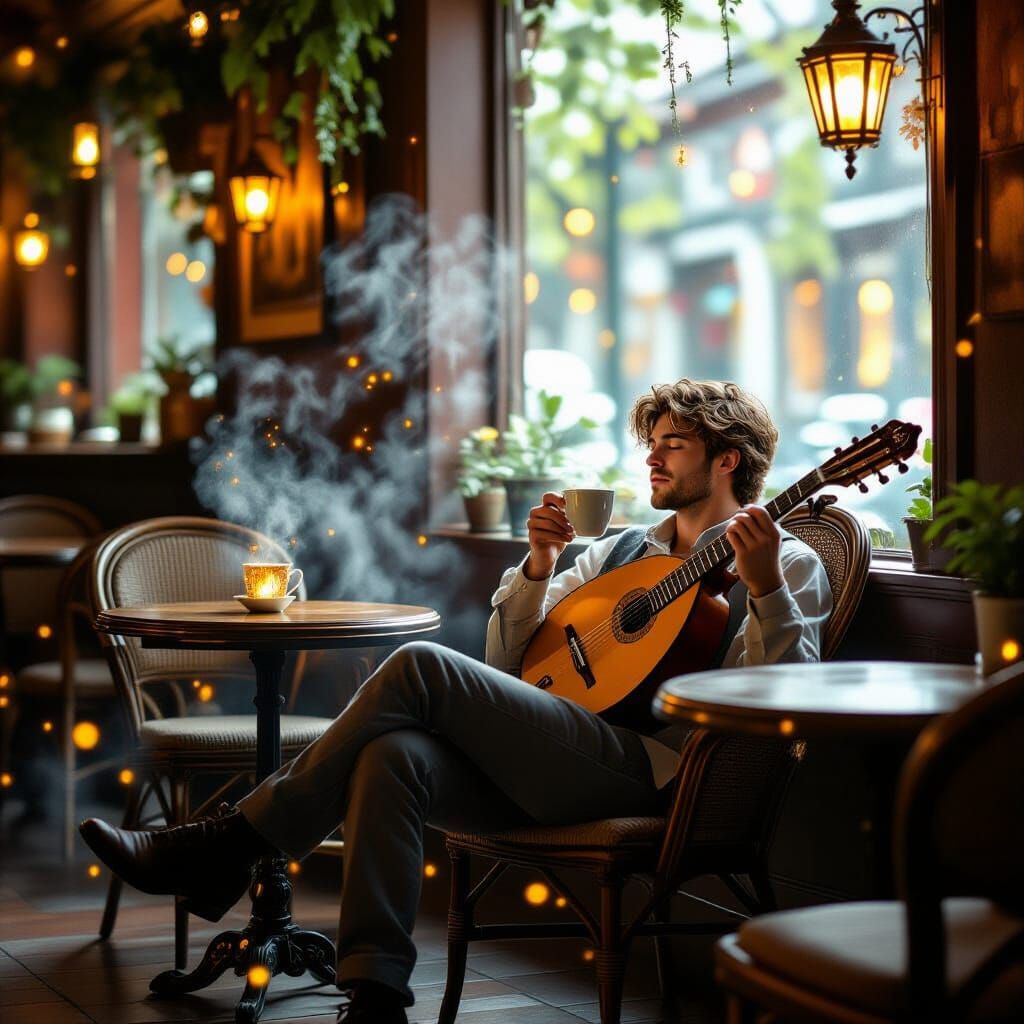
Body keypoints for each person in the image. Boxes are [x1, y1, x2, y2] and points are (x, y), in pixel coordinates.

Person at [80, 379, 831, 1024]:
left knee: (419, 663)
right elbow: (510, 665)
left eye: (673, 445)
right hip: (554, 760)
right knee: (392, 754)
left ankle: (229, 842)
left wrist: (764, 586)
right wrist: (539, 567)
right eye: (652, 443)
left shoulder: (786, 561)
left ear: (727, 459)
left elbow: (785, 699)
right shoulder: (622, 552)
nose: (652, 458)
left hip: (654, 773)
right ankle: (375, 994)